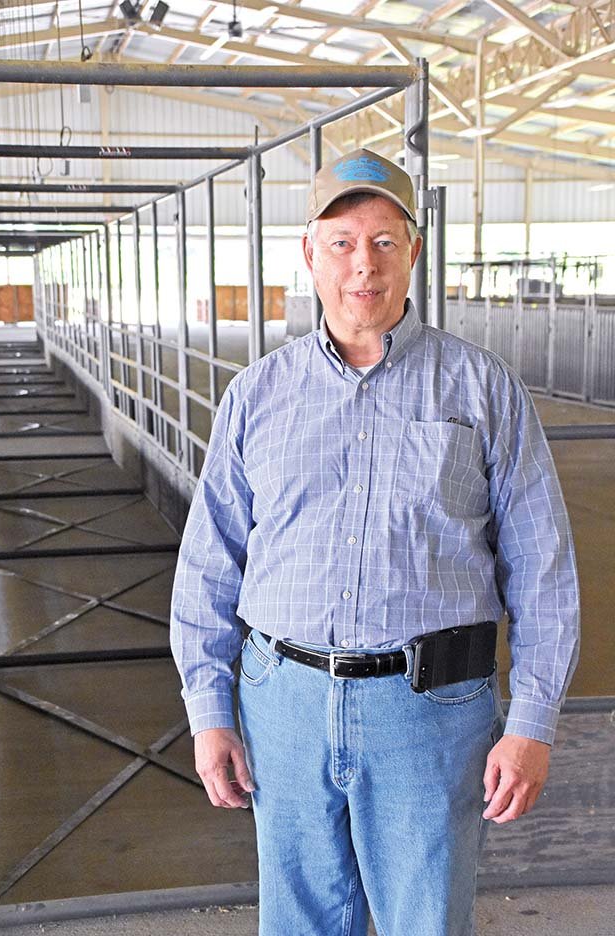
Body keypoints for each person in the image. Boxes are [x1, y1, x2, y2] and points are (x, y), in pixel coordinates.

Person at [170, 147, 580, 936]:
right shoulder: (257, 395)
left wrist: (532, 721)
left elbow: (543, 567)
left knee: (425, 921)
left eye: (386, 241)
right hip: (281, 701)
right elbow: (209, 562)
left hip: (428, 711)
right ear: (310, 255)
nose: (365, 265)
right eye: (344, 242)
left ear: (414, 251)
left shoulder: (483, 388)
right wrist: (207, 707)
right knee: (300, 923)